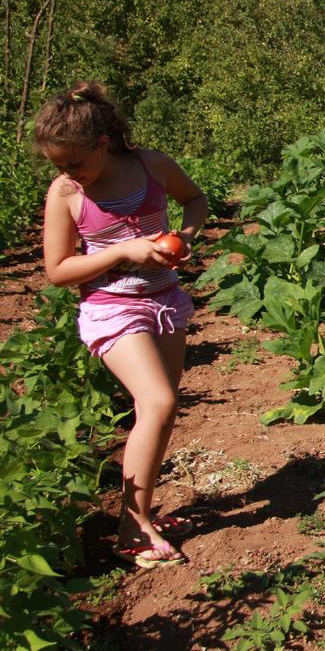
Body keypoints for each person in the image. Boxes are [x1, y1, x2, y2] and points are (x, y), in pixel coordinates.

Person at [35, 82, 207, 569]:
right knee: (158, 401)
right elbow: (58, 270)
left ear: (102, 144)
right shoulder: (67, 195)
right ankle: (132, 529)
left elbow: (195, 199)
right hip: (112, 308)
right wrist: (122, 251)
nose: (68, 174)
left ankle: (145, 512)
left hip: (164, 300)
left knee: (160, 411)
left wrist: (185, 237)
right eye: (59, 167)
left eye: (74, 163)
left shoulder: (152, 166)